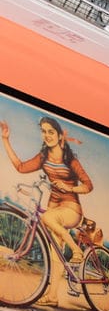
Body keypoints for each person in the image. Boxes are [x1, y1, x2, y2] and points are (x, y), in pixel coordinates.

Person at [0, 114, 94, 271]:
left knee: (47, 217)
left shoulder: (70, 160)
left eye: (51, 132)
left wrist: (69, 188)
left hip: (71, 209)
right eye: (43, 131)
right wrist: (5, 140)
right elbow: (20, 167)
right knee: (56, 255)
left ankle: (76, 250)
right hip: (53, 207)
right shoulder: (43, 158)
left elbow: (88, 186)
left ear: (59, 135)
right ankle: (56, 288)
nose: (47, 135)